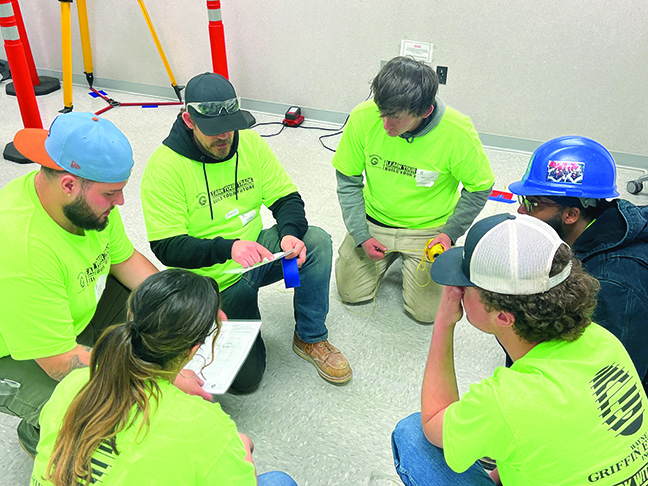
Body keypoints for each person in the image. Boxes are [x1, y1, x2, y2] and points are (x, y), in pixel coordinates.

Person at [391, 213, 648, 485]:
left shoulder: (505, 400)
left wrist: (443, 323)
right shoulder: (603, 340)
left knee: (412, 437)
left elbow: (433, 423)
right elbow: (549, 438)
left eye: (466, 286)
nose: (457, 290)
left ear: (503, 317)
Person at [140, 72, 351, 392]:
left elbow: (287, 198)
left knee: (316, 241)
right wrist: (229, 248)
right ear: (188, 120)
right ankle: (202, 330)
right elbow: (167, 247)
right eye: (213, 130)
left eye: (229, 126)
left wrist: (289, 233)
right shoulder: (164, 167)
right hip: (210, 283)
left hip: (256, 256)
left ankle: (310, 338)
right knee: (245, 383)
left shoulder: (250, 143)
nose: (224, 136)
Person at [31, 268, 298, 486]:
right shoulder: (205, 427)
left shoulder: (73, 385)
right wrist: (241, 445)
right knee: (279, 481)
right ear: (194, 350)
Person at [0, 112, 165, 458]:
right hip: (16, 353)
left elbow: (124, 260)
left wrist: (184, 306)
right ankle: (42, 432)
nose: (119, 203)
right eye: (110, 194)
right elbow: (60, 361)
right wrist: (138, 379)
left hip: (66, 312)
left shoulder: (88, 205)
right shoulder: (22, 250)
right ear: (69, 184)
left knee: (157, 307)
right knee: (96, 417)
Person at [332, 56, 495, 323]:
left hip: (427, 231)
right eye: (383, 114)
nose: (385, 126)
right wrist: (360, 233)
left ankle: (407, 258)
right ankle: (392, 257)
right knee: (351, 294)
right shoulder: (363, 116)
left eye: (396, 118)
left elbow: (479, 187)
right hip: (374, 222)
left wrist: (449, 234)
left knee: (426, 315)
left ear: (425, 111)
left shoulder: (457, 132)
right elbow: (348, 178)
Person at [509, 135, 648, 389]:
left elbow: (612, 383)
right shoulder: (603, 222)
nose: (521, 211)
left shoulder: (611, 285)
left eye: (532, 203)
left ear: (571, 214)